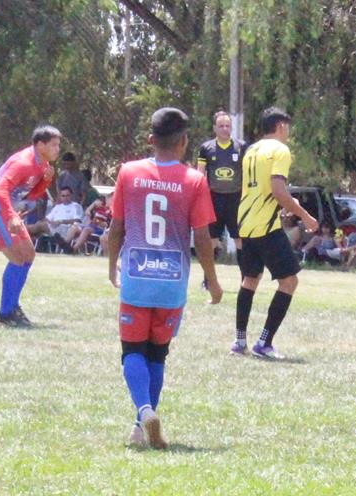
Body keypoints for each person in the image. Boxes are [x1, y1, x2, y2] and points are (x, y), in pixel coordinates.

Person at [107, 107, 222, 449]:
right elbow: (202, 237)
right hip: (172, 282)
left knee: (132, 351)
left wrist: (112, 264)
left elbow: (116, 228)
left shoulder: (128, 173)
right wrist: (212, 280)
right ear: (185, 142)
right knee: (157, 354)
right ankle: (141, 425)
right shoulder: (194, 180)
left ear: (150, 140)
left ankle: (143, 410)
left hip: (137, 275)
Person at [232, 107, 318, 359]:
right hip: (265, 227)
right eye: (287, 127)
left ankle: (239, 341)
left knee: (250, 279)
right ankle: (264, 343)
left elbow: (258, 188)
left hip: (246, 223)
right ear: (281, 127)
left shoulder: (251, 150)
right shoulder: (279, 150)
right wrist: (305, 216)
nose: (288, 133)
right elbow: (278, 190)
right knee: (289, 281)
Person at [0, 125, 61, 327]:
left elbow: (31, 195)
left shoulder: (42, 165)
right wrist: (12, 214)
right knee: (17, 257)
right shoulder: (23, 163)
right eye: (54, 144)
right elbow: (1, 189)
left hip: (7, 210)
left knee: (29, 254)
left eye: (58, 144)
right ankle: (5, 313)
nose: (58, 149)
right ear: (40, 145)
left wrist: (46, 181)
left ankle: (12, 307)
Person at [197, 110, 248, 278]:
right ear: (215, 128)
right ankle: (208, 279)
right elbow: (200, 174)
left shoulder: (241, 147)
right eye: (221, 126)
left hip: (236, 199)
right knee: (211, 240)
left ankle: (244, 279)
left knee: (239, 239)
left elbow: (248, 173)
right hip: (214, 200)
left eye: (228, 126)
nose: (225, 129)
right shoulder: (206, 148)